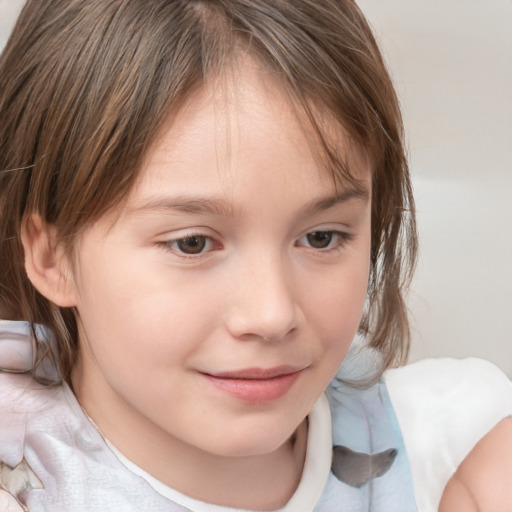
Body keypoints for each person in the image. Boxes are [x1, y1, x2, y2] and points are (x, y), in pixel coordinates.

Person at [0, 1, 510, 511]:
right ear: (52, 255)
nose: (271, 315)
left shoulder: (456, 455)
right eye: (192, 243)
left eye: (321, 237)